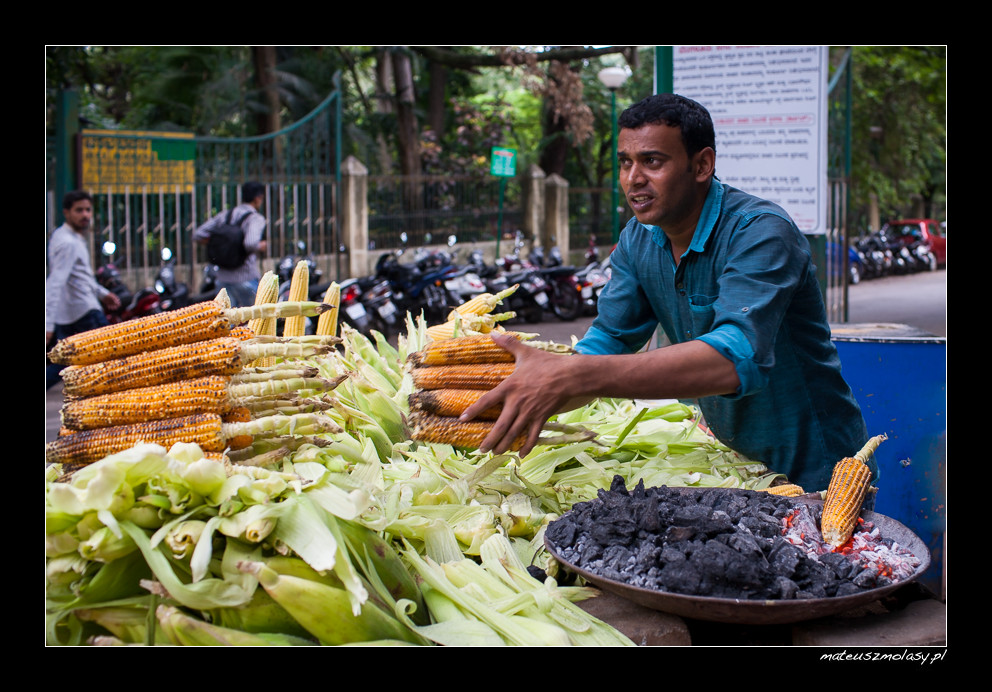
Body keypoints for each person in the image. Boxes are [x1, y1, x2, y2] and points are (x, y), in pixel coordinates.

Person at [461, 93, 871, 492]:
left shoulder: (760, 232)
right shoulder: (639, 239)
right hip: (732, 465)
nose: (633, 179)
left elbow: (734, 358)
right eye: (625, 163)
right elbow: (610, 342)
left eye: (652, 161)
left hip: (817, 469)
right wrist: (508, 394)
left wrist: (568, 374)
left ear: (702, 165)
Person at [46, 190, 122, 389]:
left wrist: (103, 294)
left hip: (70, 312)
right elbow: (56, 281)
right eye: (79, 210)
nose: (85, 215)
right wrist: (47, 323)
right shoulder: (68, 243)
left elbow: (80, 278)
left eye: (88, 210)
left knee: (65, 363)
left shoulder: (62, 236)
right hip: (84, 312)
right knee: (114, 357)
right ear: (66, 212)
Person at [193, 181, 268, 307]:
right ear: (258, 198)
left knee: (226, 321)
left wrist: (215, 242)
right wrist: (261, 245)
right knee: (257, 320)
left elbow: (198, 234)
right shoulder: (255, 218)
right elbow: (250, 243)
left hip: (222, 279)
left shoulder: (225, 215)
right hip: (246, 278)